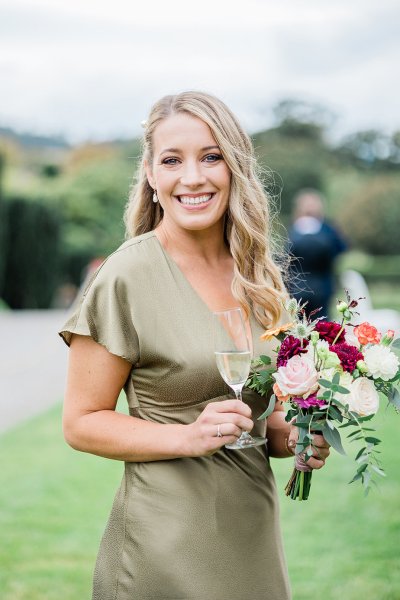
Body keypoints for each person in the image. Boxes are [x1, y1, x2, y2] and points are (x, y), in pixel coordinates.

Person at [59, 91, 330, 600]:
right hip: (164, 544)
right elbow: (81, 422)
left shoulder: (259, 279)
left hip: (252, 533)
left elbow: (260, 420)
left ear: (235, 166)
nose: (194, 177)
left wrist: (296, 439)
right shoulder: (127, 276)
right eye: (172, 160)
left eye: (211, 156)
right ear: (151, 175)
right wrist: (185, 438)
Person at [287, 189, 347, 318]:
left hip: (319, 285)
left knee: (321, 324)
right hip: (301, 287)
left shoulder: (327, 229)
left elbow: (341, 248)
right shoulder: (295, 229)